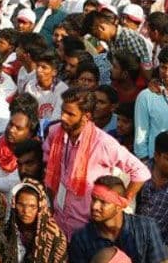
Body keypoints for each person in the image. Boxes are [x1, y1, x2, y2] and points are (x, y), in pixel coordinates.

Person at [42, 88, 150, 235]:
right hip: (58, 223)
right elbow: (49, 171)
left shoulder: (102, 143)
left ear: (86, 117)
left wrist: (121, 201)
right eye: (63, 111)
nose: (63, 118)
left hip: (87, 229)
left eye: (70, 114)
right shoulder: (56, 133)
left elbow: (141, 172)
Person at [68, 175, 168, 263]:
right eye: (94, 199)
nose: (95, 206)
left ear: (119, 206)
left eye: (103, 202)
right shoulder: (81, 239)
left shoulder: (146, 227)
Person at [5, 179, 68, 263]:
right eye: (21, 205)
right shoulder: (7, 231)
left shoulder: (54, 236)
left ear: (40, 208)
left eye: (32, 206)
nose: (26, 211)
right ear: (14, 204)